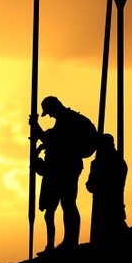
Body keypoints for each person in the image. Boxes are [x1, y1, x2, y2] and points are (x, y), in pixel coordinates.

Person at [29, 96, 92, 254]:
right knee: (62, 205)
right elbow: (53, 140)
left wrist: (36, 127)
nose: (49, 116)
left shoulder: (67, 121)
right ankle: (64, 242)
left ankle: (71, 241)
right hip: (63, 168)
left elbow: (55, 142)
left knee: (68, 203)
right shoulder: (64, 121)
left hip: (67, 168)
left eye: (49, 112)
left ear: (54, 108)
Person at [85, 133, 128, 245]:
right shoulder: (120, 162)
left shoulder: (99, 164)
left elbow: (91, 186)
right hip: (112, 206)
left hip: (106, 208)